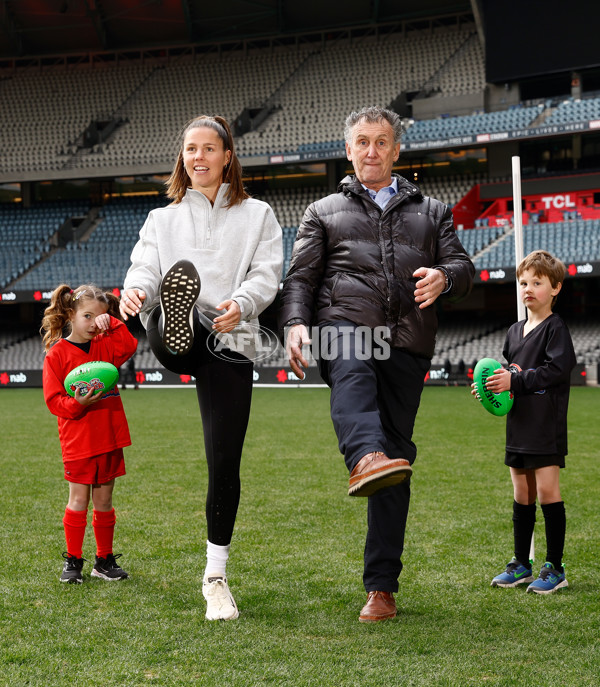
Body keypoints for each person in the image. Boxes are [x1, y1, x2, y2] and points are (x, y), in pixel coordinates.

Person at [278, 106, 474, 622]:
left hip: (408, 345)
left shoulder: (432, 211)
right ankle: (363, 455)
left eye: (380, 142)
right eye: (362, 141)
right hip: (344, 325)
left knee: (397, 465)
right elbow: (298, 279)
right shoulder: (320, 212)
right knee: (352, 360)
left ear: (395, 150)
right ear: (349, 150)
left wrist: (445, 278)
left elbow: (462, 265)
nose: (371, 151)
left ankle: (381, 587)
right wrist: (296, 323)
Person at [120, 114, 283, 621]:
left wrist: (243, 301)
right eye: (191, 149)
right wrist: (138, 289)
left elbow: (267, 273)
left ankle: (216, 577)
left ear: (227, 156)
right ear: (183, 158)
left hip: (231, 338)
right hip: (176, 335)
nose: (199, 158)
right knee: (178, 316)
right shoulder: (161, 220)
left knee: (224, 460)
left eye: (209, 149)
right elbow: (145, 263)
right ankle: (179, 312)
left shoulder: (259, 214)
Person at [482, 250, 576, 594]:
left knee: (548, 493)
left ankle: (555, 567)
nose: (529, 288)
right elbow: (509, 374)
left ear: (555, 288)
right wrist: (492, 389)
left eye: (538, 282)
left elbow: (555, 371)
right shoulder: (514, 331)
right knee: (522, 495)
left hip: (544, 426)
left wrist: (514, 382)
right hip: (518, 424)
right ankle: (522, 563)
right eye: (524, 282)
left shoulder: (556, 329)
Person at [41, 284, 138, 584]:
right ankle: (73, 561)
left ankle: (104, 560)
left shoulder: (106, 343)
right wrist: (77, 403)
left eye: (101, 317)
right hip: (79, 440)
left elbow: (130, 346)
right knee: (79, 499)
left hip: (109, 435)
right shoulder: (56, 355)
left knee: (105, 500)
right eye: (87, 316)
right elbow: (54, 400)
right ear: (70, 314)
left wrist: (115, 323)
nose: (95, 323)